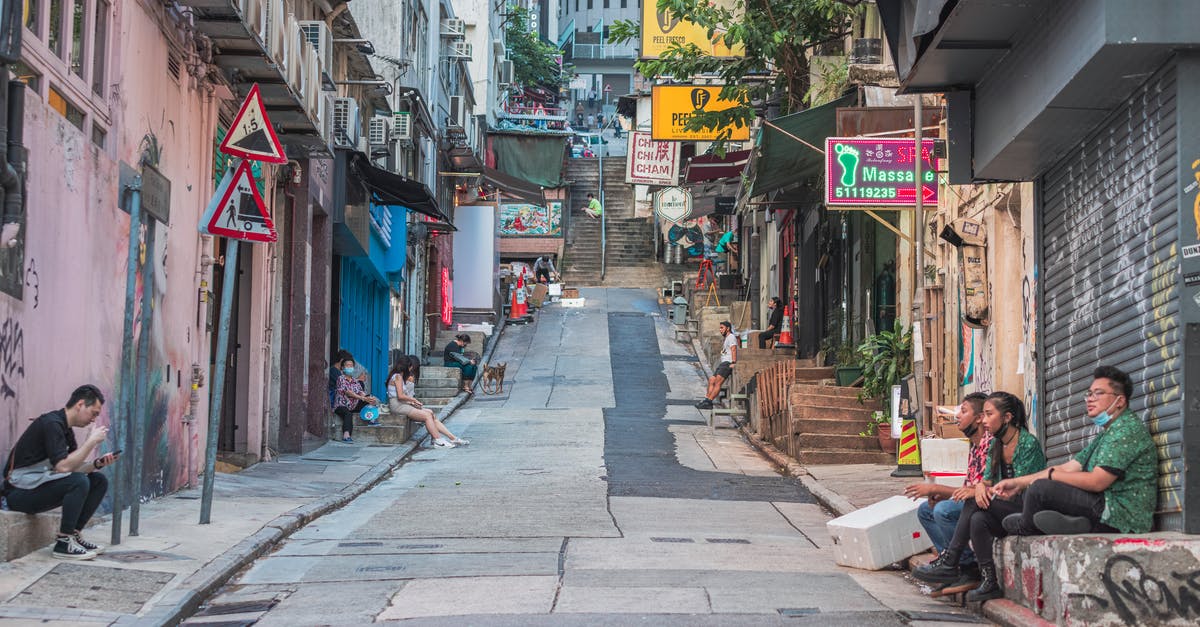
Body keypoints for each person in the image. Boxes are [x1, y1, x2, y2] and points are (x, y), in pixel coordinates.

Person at [993, 365, 1157, 538]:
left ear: (1120, 401)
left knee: (1040, 489)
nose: (1090, 399)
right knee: (1035, 486)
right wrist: (1018, 483)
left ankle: (1027, 527)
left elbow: (1097, 481)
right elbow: (1070, 467)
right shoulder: (1107, 433)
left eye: (1099, 393)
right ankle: (1075, 523)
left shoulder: (1125, 430)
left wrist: (1051, 475)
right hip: (1103, 506)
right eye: (1089, 393)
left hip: (1121, 517)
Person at [913, 391, 1046, 602]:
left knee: (972, 502)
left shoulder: (1027, 443)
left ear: (1007, 417)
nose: (984, 421)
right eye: (983, 415)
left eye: (989, 415)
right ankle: (988, 580)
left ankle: (952, 561)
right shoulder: (995, 444)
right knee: (977, 518)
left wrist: (981, 491)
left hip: (1027, 508)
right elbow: (985, 482)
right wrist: (982, 488)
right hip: (1003, 506)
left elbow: (1019, 488)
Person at [3, 385, 118, 560]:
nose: (94, 420)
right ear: (80, 404)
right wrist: (91, 442)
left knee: (98, 481)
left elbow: (70, 467)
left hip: (37, 486)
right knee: (78, 481)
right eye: (94, 413)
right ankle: (63, 543)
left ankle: (73, 535)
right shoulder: (51, 424)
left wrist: (96, 463)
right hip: (17, 494)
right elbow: (64, 468)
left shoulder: (66, 429)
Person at [903, 392, 992, 585]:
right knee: (926, 510)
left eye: (964, 411)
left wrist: (936, 488)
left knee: (944, 510)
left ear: (978, 418)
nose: (957, 416)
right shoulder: (975, 446)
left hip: (989, 503)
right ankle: (950, 563)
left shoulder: (990, 445)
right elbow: (966, 490)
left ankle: (967, 565)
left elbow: (977, 491)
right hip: (972, 502)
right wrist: (940, 493)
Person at [387, 356, 468, 448]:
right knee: (427, 416)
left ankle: (452, 438)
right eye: (410, 367)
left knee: (430, 413)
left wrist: (412, 403)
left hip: (403, 404)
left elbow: (402, 397)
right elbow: (400, 396)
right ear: (406, 367)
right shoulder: (397, 377)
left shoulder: (399, 377)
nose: (411, 370)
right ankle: (437, 439)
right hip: (397, 405)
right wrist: (413, 400)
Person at [333, 354, 380, 443]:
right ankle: (346, 436)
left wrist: (367, 398)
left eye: (351, 366)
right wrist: (362, 398)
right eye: (347, 365)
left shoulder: (355, 381)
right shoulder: (340, 378)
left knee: (370, 398)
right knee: (348, 414)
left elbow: (361, 392)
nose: (350, 367)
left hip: (353, 405)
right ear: (343, 368)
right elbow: (348, 393)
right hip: (341, 406)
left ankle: (372, 419)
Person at [696, 321, 737, 410]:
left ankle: (709, 402)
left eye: (722, 328)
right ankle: (707, 400)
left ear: (728, 328)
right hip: (723, 363)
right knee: (712, 380)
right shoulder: (726, 338)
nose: (720, 330)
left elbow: (733, 349)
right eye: (720, 328)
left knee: (718, 382)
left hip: (727, 363)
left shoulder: (731, 337)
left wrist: (733, 362)